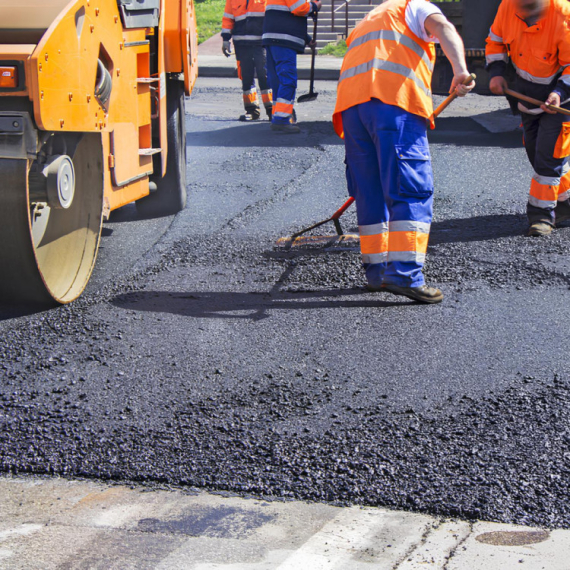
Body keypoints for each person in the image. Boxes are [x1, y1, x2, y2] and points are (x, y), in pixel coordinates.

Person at [332, 0, 474, 304]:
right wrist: (460, 70)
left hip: (353, 109)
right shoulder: (415, 6)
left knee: (369, 191)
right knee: (409, 188)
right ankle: (405, 274)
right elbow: (444, 28)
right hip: (393, 104)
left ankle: (377, 273)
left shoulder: (369, 19)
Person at [486, 0, 570, 236]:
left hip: (560, 100)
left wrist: (559, 93)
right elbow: (495, 42)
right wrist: (496, 73)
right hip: (526, 97)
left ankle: (541, 216)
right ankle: (566, 203)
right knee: (536, 153)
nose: (525, 13)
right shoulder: (507, 6)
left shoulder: (564, 15)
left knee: (548, 159)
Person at [262, 0, 322, 133]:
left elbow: (285, 16)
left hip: (272, 38)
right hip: (283, 40)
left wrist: (306, 39)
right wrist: (314, 6)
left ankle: (278, 116)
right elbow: (299, 8)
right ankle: (281, 120)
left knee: (277, 81)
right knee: (287, 80)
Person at [221, 0, 273, 121]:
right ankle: (252, 110)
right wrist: (225, 39)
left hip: (262, 43)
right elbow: (228, 18)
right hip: (241, 44)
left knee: (264, 75)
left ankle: (271, 110)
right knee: (246, 76)